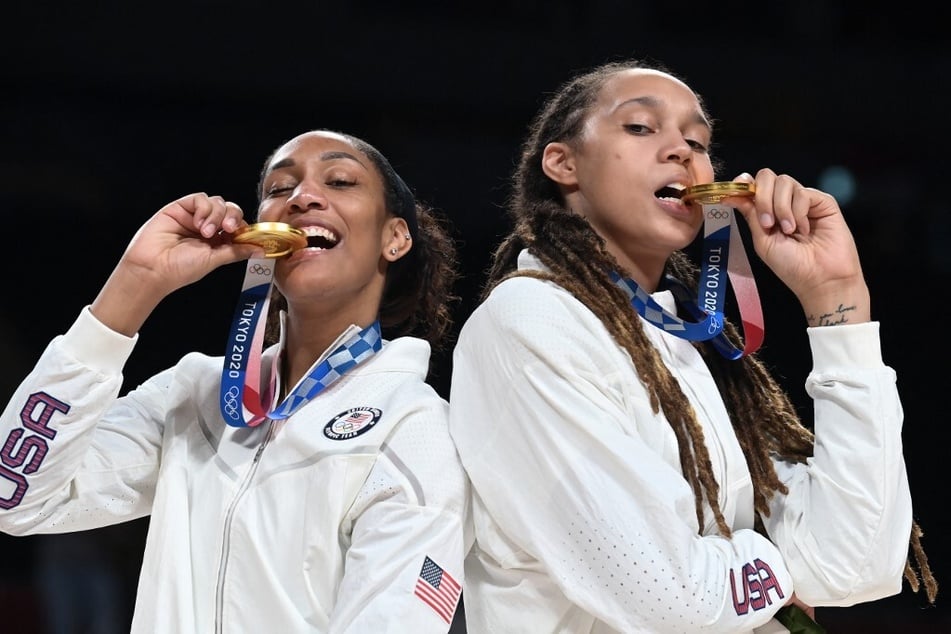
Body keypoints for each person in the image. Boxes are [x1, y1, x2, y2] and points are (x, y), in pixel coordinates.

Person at [448, 59, 937, 633]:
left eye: (698, 139)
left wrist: (839, 306)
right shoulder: (531, 320)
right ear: (562, 163)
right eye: (640, 127)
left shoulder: (689, 338)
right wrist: (782, 569)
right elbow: (665, 594)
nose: (683, 149)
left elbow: (857, 563)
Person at [0, 129, 469, 633]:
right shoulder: (194, 395)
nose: (302, 196)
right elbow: (16, 497)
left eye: (339, 181)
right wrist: (136, 282)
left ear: (395, 237)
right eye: (278, 188)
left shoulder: (413, 427)